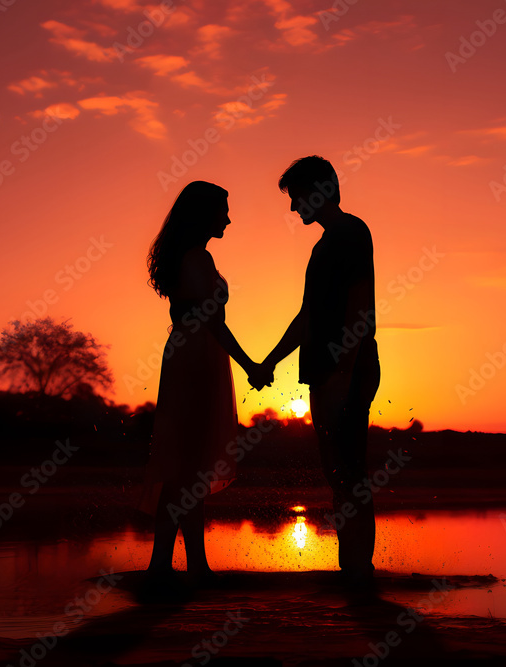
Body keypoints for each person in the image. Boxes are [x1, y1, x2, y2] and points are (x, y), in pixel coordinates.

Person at [251, 156, 381, 584]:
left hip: (347, 368)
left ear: (321, 190)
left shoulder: (350, 232)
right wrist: (269, 361)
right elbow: (307, 317)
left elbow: (359, 306)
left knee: (349, 469)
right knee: (338, 472)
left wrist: (343, 369)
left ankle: (360, 569)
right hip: (326, 369)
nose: (293, 208)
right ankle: (354, 568)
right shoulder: (324, 245)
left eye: (297, 197)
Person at [141, 181, 272, 589]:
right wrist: (251, 363)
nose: (229, 219)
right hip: (196, 359)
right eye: (223, 211)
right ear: (203, 214)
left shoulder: (190, 256)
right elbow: (213, 321)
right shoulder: (198, 257)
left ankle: (183, 563)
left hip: (192, 356)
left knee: (188, 467)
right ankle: (170, 564)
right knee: (186, 467)